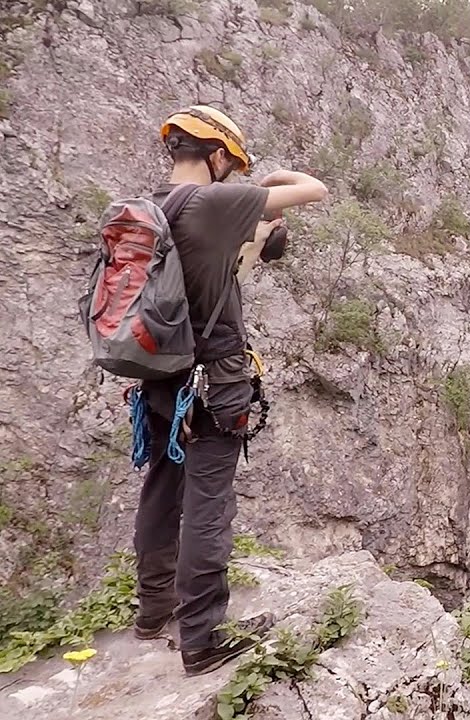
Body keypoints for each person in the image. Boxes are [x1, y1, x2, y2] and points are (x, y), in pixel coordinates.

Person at [132, 105, 328, 676]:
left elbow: (214, 276)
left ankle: (153, 612)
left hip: (160, 379)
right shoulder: (216, 201)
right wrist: (264, 186)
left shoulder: (153, 207)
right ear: (217, 156)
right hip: (214, 384)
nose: (231, 172)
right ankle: (201, 640)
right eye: (230, 163)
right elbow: (314, 189)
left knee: (162, 491)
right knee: (208, 506)